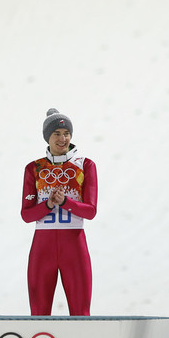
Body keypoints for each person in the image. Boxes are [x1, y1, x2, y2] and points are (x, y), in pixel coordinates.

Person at [21, 109, 97, 316]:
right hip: (42, 248)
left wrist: (65, 202)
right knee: (38, 314)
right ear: (47, 137)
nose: (62, 139)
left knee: (81, 314)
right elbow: (26, 215)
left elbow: (90, 212)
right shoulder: (34, 168)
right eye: (57, 133)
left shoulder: (85, 165)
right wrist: (47, 206)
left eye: (66, 133)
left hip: (74, 245)